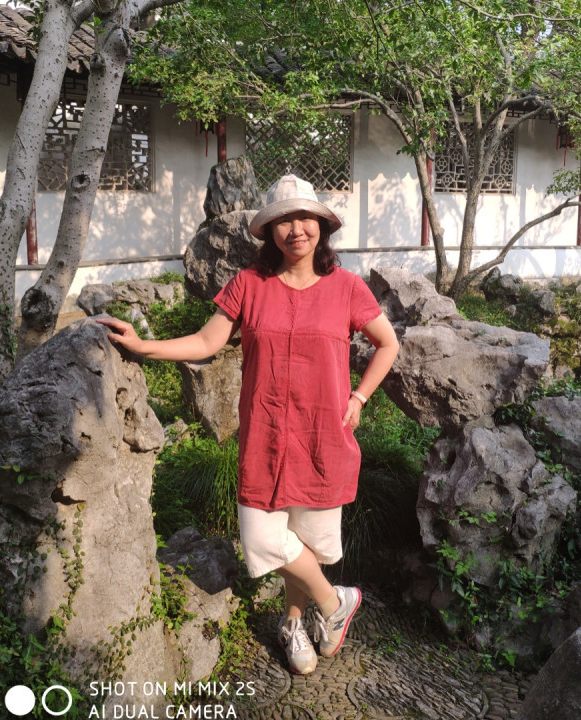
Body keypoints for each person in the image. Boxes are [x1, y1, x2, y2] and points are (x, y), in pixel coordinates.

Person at [98, 174, 399, 675]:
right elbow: (205, 341)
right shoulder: (249, 285)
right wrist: (143, 346)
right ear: (269, 232)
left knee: (308, 544)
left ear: (322, 226)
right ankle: (336, 602)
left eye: (305, 218)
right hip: (266, 435)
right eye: (283, 221)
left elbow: (388, 343)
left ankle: (293, 623)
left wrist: (360, 396)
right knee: (264, 541)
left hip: (323, 436)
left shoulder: (347, 287)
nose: (296, 229)